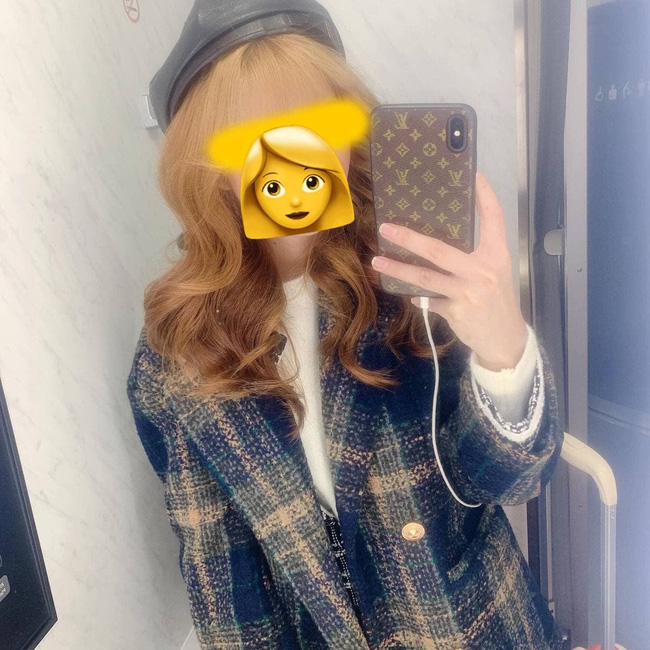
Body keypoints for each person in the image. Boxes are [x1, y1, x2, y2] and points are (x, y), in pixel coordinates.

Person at [126, 1, 565, 648]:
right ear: (207, 164)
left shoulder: (411, 270)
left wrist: (504, 348)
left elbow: (514, 481)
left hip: (475, 625)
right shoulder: (178, 353)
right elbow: (226, 590)